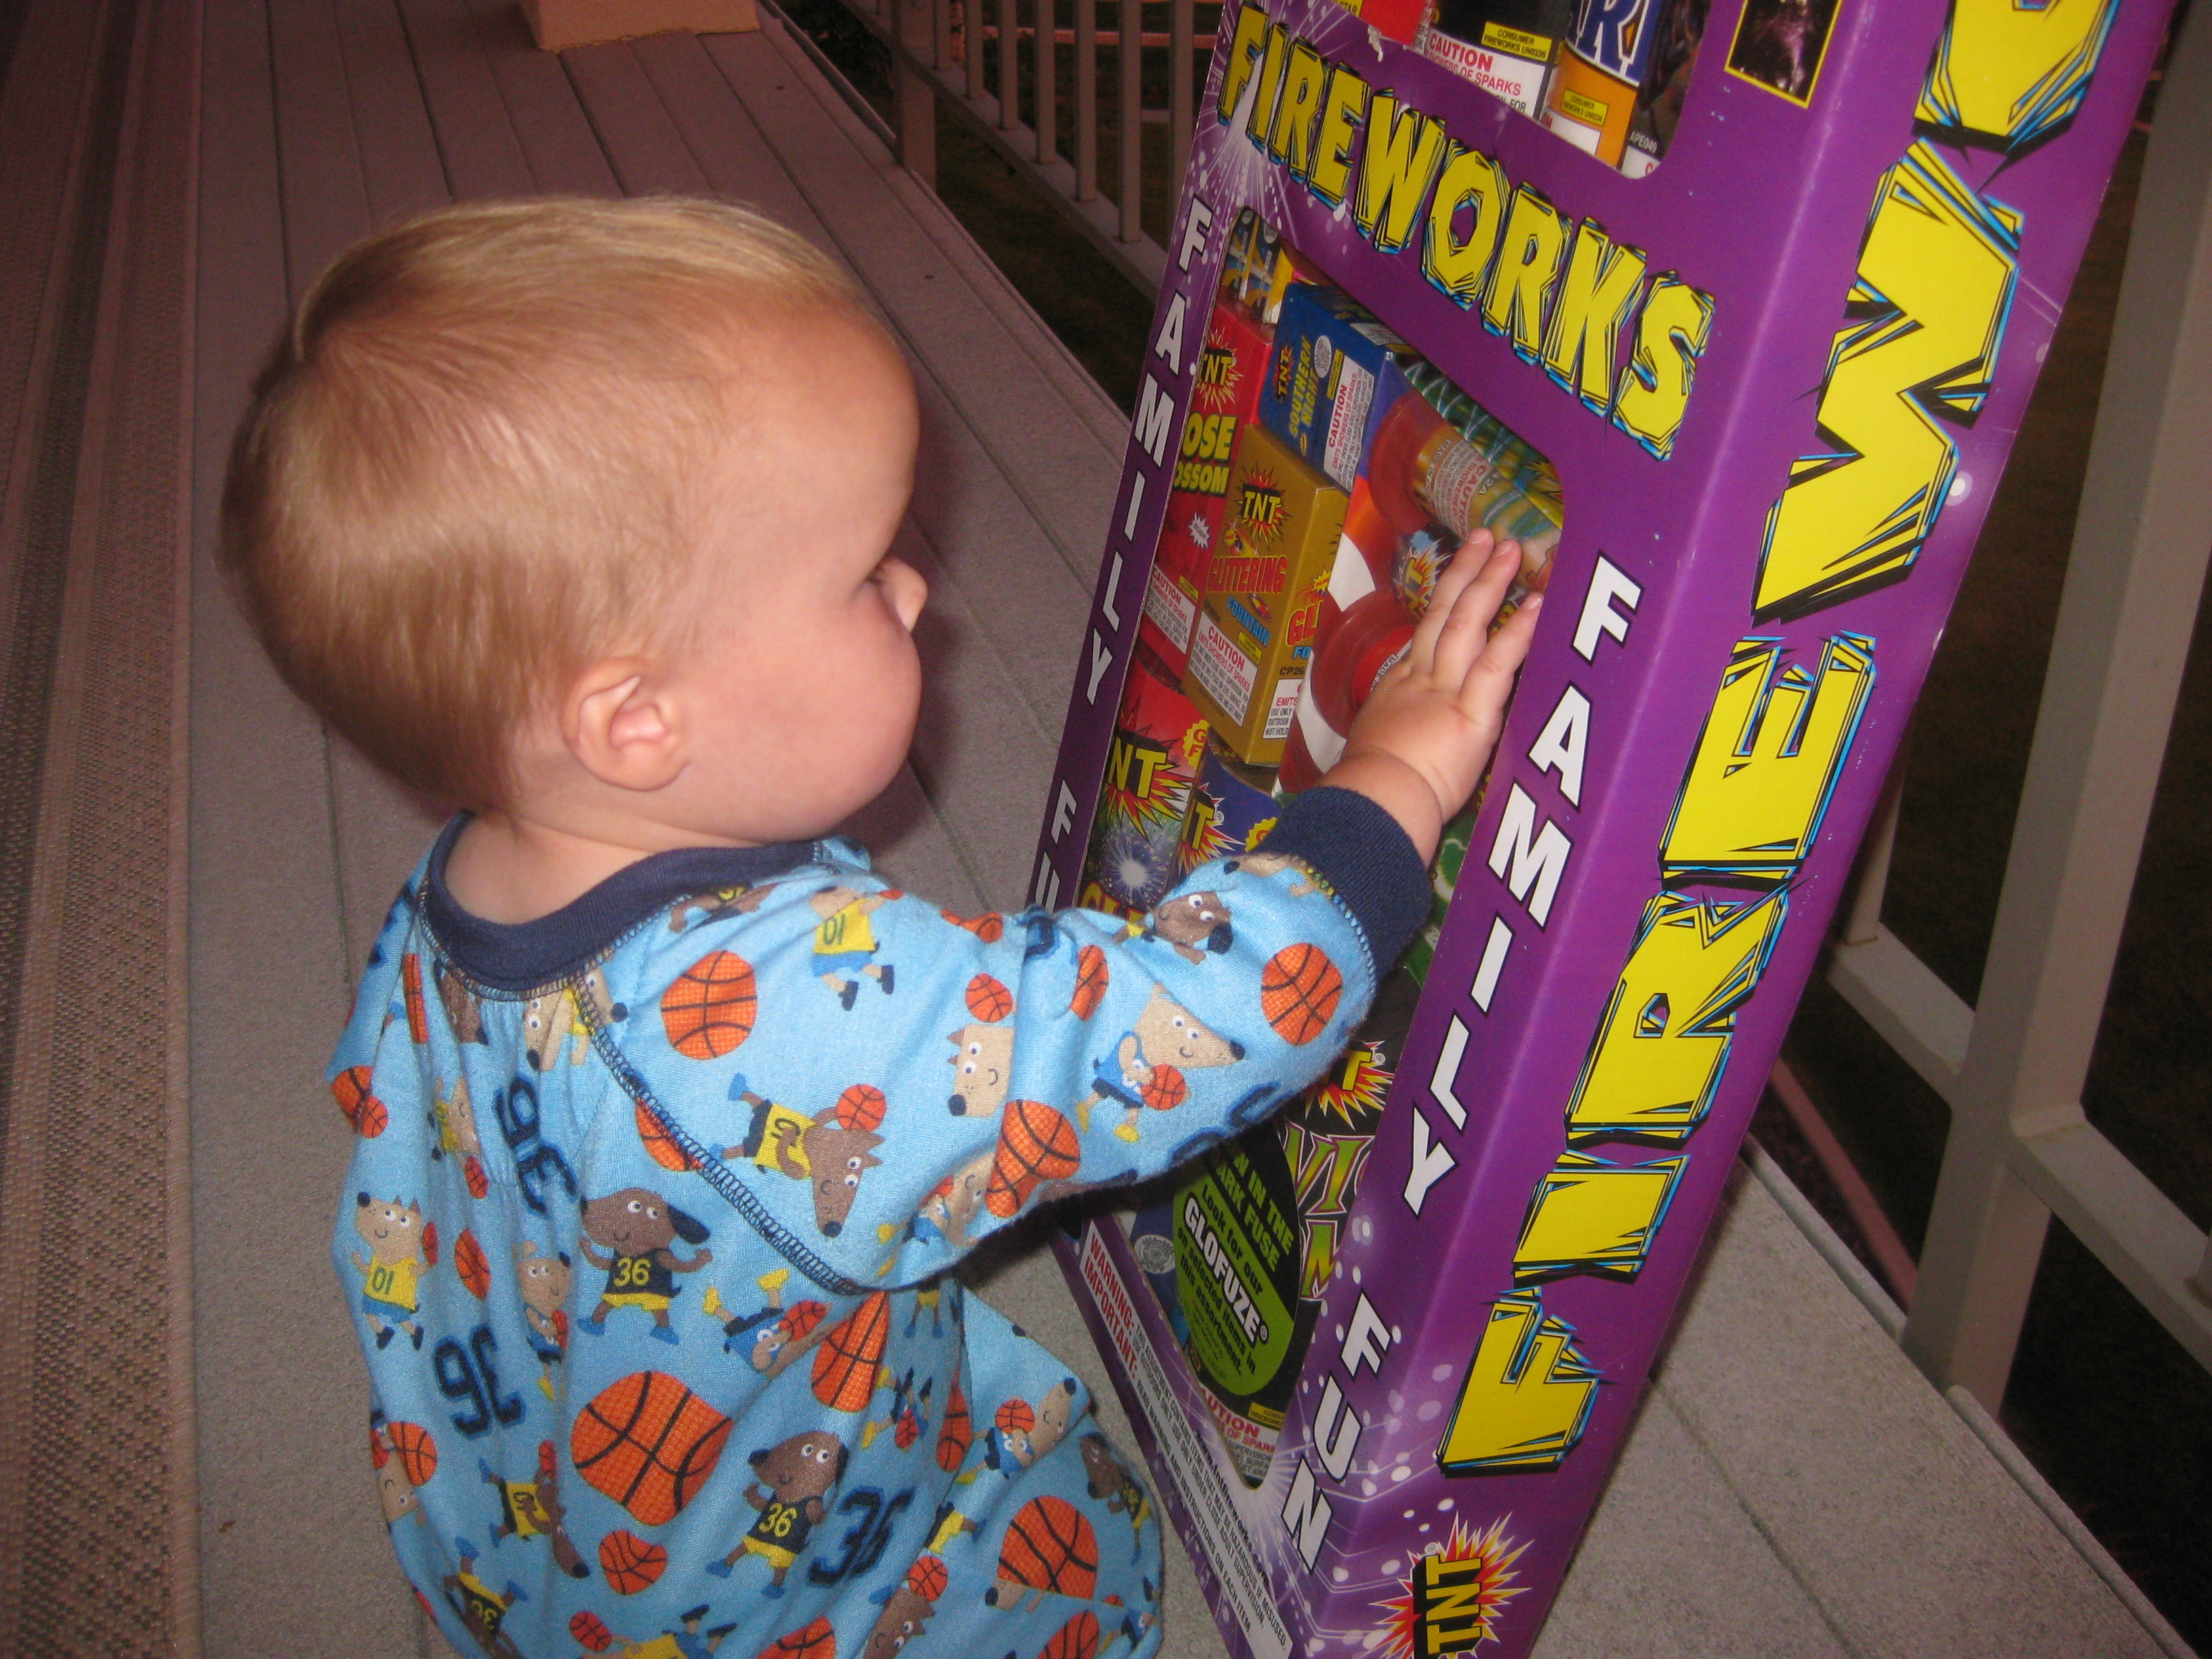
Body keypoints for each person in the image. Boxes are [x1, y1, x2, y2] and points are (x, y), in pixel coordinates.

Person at [218, 196, 1539, 1659]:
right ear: (637, 720)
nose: (919, 585)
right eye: (862, 574)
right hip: (777, 1595)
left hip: (520, 1507)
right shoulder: (811, 1019)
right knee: (1070, 1567)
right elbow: (1170, 1031)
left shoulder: (462, 885)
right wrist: (1393, 780)